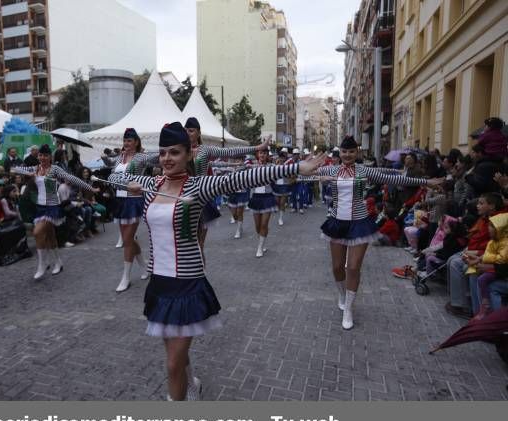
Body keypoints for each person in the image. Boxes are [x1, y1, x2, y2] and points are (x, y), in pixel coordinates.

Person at [109, 122, 325, 401]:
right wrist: (130, 183)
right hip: (159, 285)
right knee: (175, 352)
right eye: (162, 153)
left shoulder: (199, 186)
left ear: (189, 155)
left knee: (172, 364)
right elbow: (111, 178)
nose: (166, 159)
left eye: (174, 152)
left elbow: (243, 179)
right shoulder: (152, 186)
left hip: (186, 285)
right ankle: (192, 383)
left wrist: (295, 168)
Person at [317, 136, 441, 330]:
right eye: (344, 151)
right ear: (339, 153)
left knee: (353, 267)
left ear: (356, 153)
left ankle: (349, 308)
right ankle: (342, 295)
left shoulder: (364, 170)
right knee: (337, 267)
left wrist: (425, 181)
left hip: (359, 223)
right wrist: (321, 179)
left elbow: (394, 178)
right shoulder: (330, 170)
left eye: (351, 152)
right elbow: (300, 173)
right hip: (336, 222)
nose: (347, 155)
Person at [11, 144, 96, 280]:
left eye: (45, 155)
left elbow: (72, 178)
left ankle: (42, 264)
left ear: (50, 156)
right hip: (40, 206)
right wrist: (24, 172)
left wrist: (89, 187)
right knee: (50, 236)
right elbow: (15, 169)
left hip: (51, 206)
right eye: (40, 155)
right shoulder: (35, 168)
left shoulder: (54, 169)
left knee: (37, 232)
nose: (42, 158)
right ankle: (58, 262)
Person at [184, 117, 267, 250]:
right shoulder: (180, 150)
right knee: (186, 245)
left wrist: (257, 147)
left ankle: (199, 269)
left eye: (191, 131)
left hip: (201, 199)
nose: (188, 133)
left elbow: (230, 151)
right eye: (186, 130)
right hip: (184, 199)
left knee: (199, 245)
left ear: (198, 133)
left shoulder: (204, 150)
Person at [101, 128, 158, 291]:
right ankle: (145, 266)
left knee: (127, 239)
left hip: (133, 201)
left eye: (130, 141)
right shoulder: (120, 157)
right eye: (125, 140)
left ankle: (125, 277)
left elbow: (157, 158)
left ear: (136, 142)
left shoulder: (141, 157)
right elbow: (112, 173)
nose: (126, 143)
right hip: (120, 201)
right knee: (130, 239)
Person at [247, 148, 279, 257]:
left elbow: (278, 175)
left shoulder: (272, 167)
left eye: (265, 153)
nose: (262, 155)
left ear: (267, 155)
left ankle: (260, 247)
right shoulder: (252, 166)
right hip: (255, 197)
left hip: (267, 198)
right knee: (257, 226)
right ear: (257, 154)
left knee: (264, 224)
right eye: (261, 153)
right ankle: (262, 241)